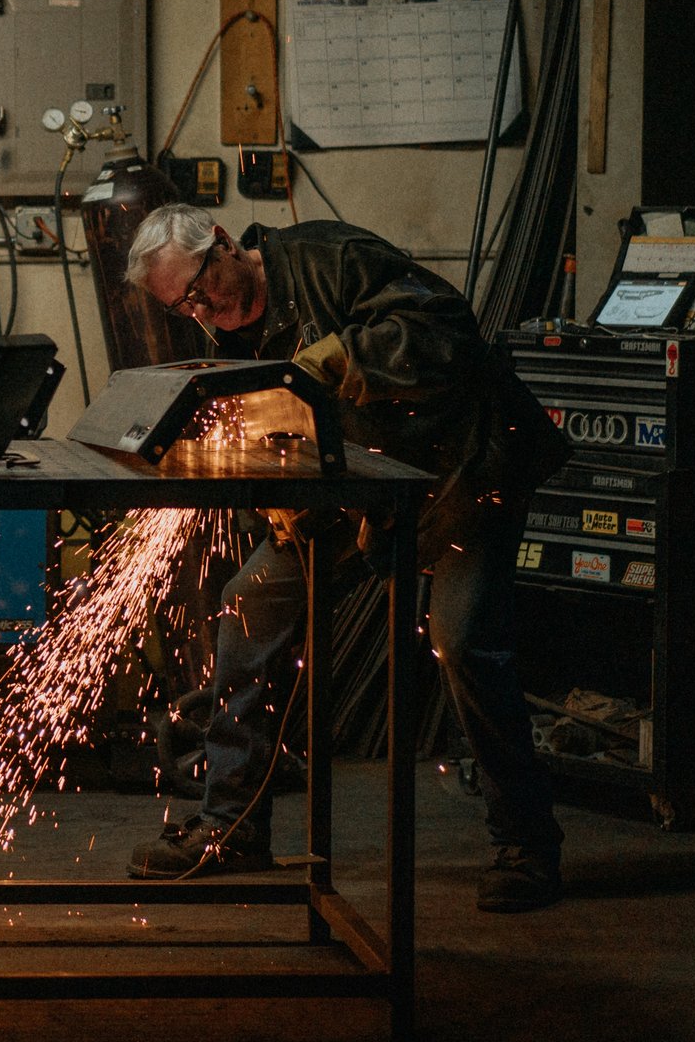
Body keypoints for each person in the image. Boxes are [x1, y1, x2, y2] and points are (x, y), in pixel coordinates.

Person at [120, 205, 573, 912]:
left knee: (462, 642)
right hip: (357, 494)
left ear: (223, 243)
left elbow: (447, 332)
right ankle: (233, 828)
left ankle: (527, 843)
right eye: (184, 305)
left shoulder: (327, 258)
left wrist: (341, 359)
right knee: (250, 605)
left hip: (460, 475)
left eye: (202, 288)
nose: (202, 308)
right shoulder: (227, 339)